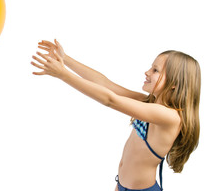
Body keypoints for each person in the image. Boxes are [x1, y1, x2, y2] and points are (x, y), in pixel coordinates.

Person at [31, 39, 201, 191]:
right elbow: (105, 84)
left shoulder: (170, 117)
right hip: (121, 186)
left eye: (155, 70)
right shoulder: (149, 102)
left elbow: (110, 99)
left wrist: (64, 75)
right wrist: (66, 59)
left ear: (174, 83)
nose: (147, 72)